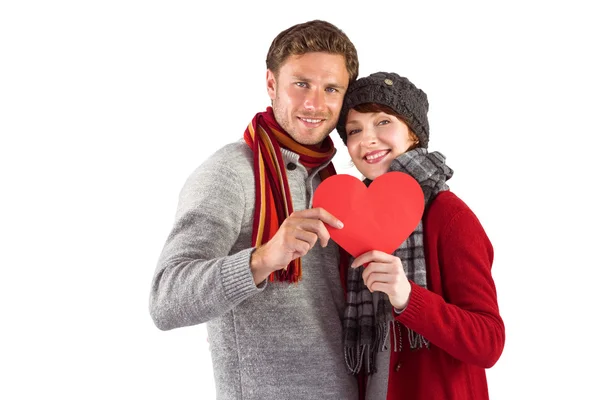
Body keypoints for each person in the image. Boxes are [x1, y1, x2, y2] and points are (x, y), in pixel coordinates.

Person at [149, 20, 360, 400]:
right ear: (271, 84)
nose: (315, 103)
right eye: (301, 84)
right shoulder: (230, 172)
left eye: (331, 89)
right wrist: (263, 258)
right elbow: (167, 300)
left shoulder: (336, 182)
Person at [335, 72, 505, 399]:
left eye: (383, 122)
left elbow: (489, 342)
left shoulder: (449, 217)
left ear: (413, 133)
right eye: (355, 130)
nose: (367, 139)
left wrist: (408, 297)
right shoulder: (351, 223)